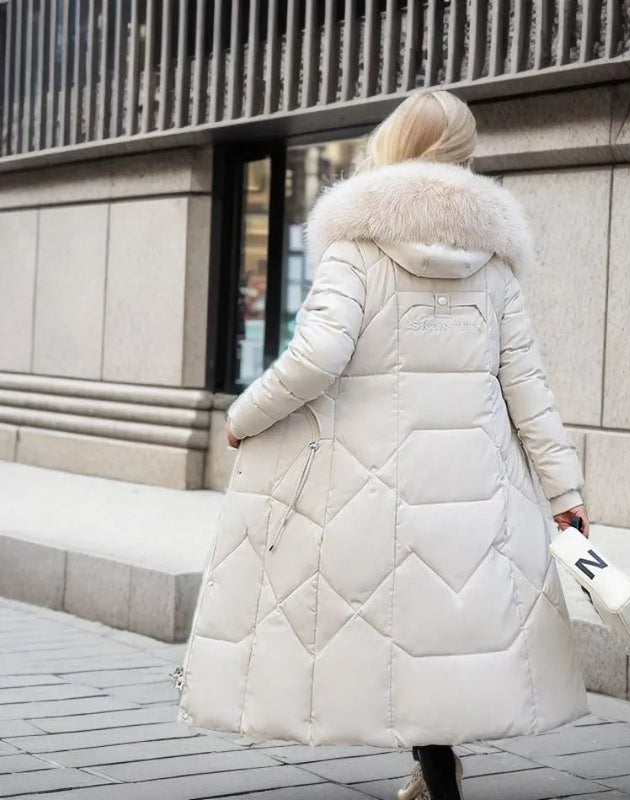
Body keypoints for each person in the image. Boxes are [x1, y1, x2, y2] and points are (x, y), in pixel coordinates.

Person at [181, 90, 590, 800]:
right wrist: (565, 495)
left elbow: (316, 357)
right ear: (465, 154)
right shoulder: (493, 265)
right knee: (439, 623)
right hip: (473, 486)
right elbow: (529, 388)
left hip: (373, 482)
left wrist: (245, 415)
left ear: (394, 141)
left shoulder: (356, 249)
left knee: (391, 621)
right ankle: (435, 767)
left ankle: (436, 773)